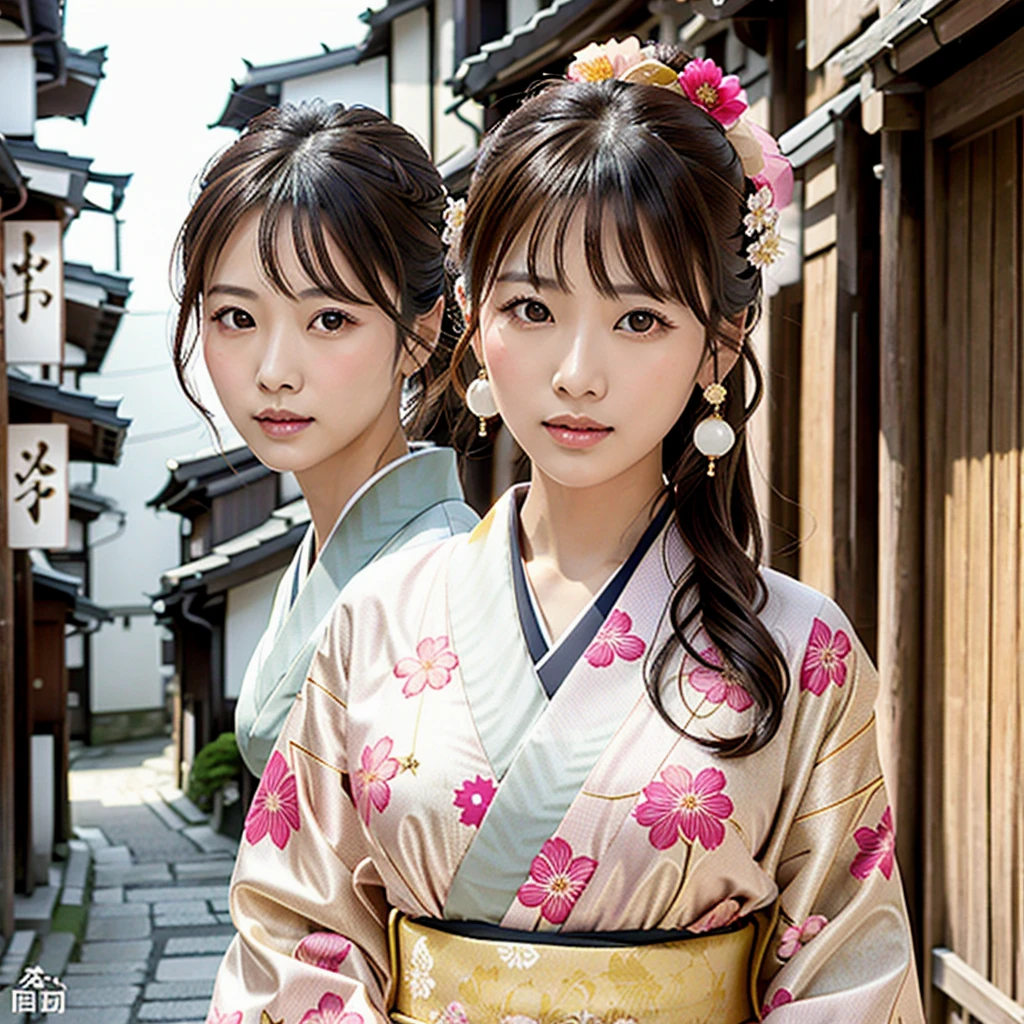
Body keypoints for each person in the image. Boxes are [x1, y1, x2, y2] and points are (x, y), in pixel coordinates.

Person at [203, 41, 925, 1024]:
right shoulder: (373, 621)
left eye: (637, 318)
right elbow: (291, 943)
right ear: (471, 320)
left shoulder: (803, 651)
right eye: (532, 308)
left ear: (717, 342)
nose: (576, 371)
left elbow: (849, 976)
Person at [172, 101, 478, 779]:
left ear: (421, 332)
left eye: (330, 319)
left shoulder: (446, 578)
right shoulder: (331, 547)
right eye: (235, 316)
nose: (274, 371)